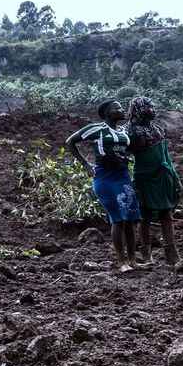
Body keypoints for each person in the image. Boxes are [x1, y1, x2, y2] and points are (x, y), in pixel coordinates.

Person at [66, 99, 141, 273]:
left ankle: (133, 260)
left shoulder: (123, 131)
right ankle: (121, 262)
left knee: (130, 219)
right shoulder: (97, 128)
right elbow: (70, 142)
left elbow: (125, 151)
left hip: (123, 177)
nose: (122, 110)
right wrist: (86, 164)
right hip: (105, 178)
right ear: (107, 113)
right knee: (117, 219)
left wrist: (125, 158)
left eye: (122, 107)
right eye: (117, 108)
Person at [125, 96, 182, 265]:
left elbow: (166, 155)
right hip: (145, 177)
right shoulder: (129, 131)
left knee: (166, 213)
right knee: (145, 216)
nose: (153, 110)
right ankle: (146, 254)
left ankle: (172, 254)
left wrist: (175, 176)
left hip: (164, 175)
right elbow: (121, 153)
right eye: (149, 107)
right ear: (139, 110)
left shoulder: (156, 128)